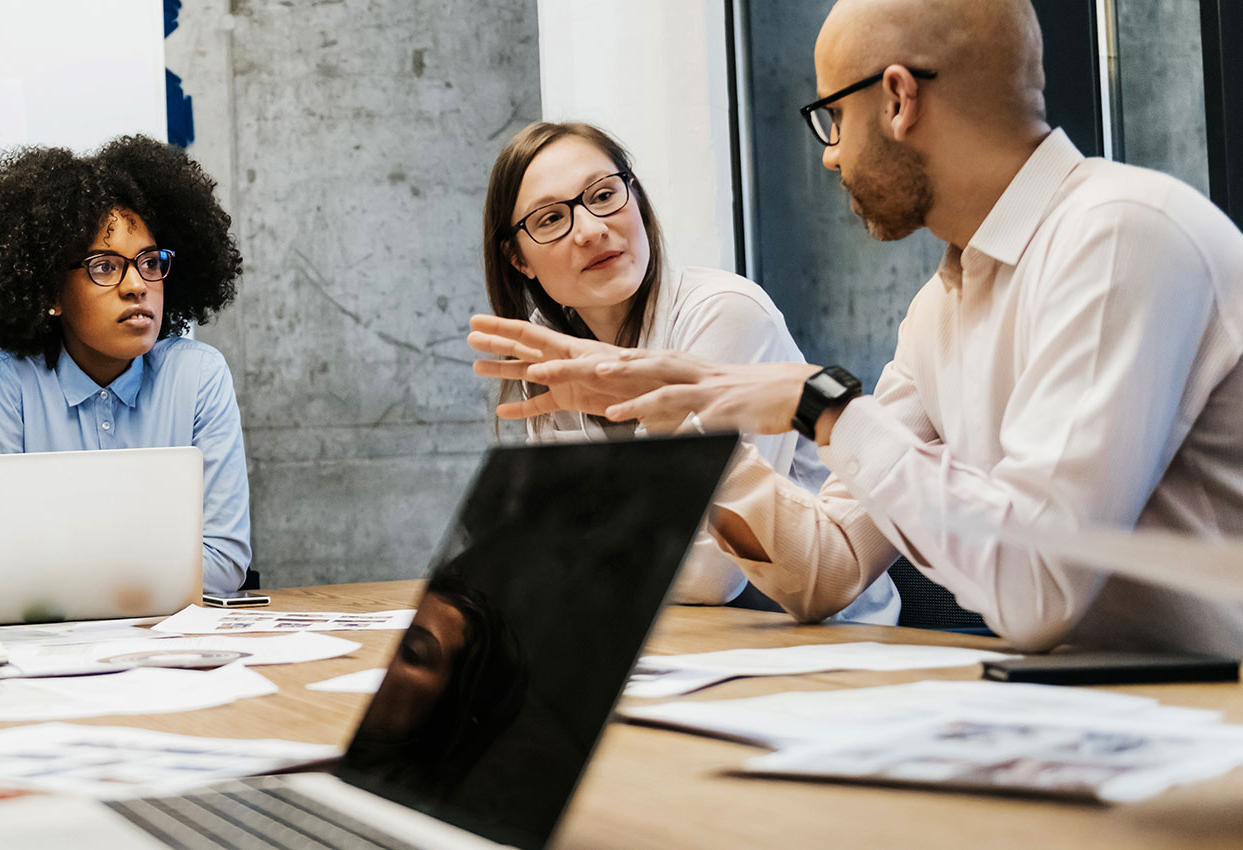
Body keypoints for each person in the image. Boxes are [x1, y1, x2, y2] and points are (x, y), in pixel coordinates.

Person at [468, 0, 1243, 654]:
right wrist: (692, 415)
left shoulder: (1117, 233)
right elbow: (824, 573)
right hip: (1103, 717)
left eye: (830, 117)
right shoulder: (940, 308)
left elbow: (1035, 589)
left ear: (898, 99)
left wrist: (819, 404)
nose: (830, 156)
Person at [480, 120, 897, 622]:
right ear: (518, 259)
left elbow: (713, 572)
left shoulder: (724, 312)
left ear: (635, 197)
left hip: (820, 639)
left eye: (605, 194)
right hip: (671, 638)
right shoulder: (545, 345)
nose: (592, 228)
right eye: (549, 220)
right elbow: (536, 549)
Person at [0, 135, 253, 594]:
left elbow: (225, 562)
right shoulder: (8, 384)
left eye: (149, 262)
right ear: (51, 292)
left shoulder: (197, 377)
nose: (137, 285)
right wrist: (146, 567)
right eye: (106, 267)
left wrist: (61, 570)